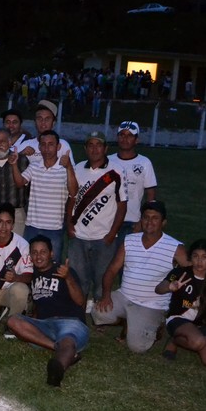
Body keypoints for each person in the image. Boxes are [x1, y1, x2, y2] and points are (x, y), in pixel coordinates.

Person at [91, 202, 188, 353]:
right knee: (97, 313)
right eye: (146, 217)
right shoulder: (129, 240)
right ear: (141, 220)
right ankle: (129, 321)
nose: (149, 222)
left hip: (152, 305)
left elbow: (192, 270)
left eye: (155, 218)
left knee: (137, 347)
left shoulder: (175, 247)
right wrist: (106, 295)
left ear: (163, 222)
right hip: (125, 296)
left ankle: (157, 325)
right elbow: (112, 270)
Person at [7, 236, 88, 387]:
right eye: (34, 252)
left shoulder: (63, 271)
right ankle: (58, 348)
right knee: (13, 321)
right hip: (45, 325)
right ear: (30, 256)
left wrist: (68, 277)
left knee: (67, 340)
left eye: (43, 252)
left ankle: (57, 370)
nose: (38, 256)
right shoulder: (33, 275)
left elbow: (80, 301)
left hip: (70, 322)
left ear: (51, 254)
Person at [68, 132, 127, 308]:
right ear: (85, 148)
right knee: (78, 277)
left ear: (106, 148)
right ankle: (78, 310)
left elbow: (122, 205)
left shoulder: (116, 171)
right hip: (79, 235)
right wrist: (69, 224)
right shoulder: (78, 168)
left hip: (103, 236)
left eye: (99, 145)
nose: (95, 149)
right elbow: (71, 198)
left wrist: (112, 233)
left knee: (102, 278)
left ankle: (100, 312)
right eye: (91, 145)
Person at [10, 130, 78, 260]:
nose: (47, 149)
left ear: (58, 147)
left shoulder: (66, 169)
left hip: (54, 228)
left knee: (52, 264)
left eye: (51, 144)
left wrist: (69, 167)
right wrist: (14, 165)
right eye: (43, 145)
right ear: (39, 147)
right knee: (28, 262)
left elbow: (73, 192)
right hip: (32, 226)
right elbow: (20, 183)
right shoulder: (34, 166)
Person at [156, 239, 206, 369]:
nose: (199, 261)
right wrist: (170, 286)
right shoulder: (180, 273)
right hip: (178, 318)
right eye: (195, 256)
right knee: (197, 342)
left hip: (202, 323)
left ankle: (192, 339)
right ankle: (175, 341)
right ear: (190, 257)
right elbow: (159, 289)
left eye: (205, 257)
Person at [109, 121, 157, 243]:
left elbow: (151, 195)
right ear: (117, 137)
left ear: (137, 140)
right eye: (122, 135)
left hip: (132, 221)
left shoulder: (144, 163)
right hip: (108, 220)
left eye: (130, 135)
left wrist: (142, 221)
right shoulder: (108, 160)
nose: (125, 139)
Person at [18, 100, 74, 168]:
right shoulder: (26, 144)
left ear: (53, 123)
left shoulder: (63, 145)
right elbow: (12, 166)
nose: (43, 122)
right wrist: (21, 155)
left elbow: (72, 171)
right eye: (39, 119)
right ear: (35, 122)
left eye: (47, 119)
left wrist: (68, 165)